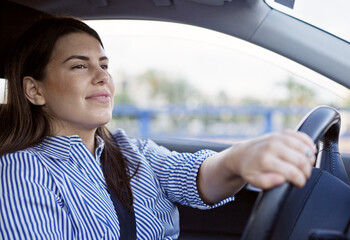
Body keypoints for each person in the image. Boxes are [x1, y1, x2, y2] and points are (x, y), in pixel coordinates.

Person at [0, 17, 316, 239]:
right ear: (35, 91)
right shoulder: (21, 172)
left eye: (105, 65)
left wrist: (239, 158)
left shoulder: (132, 151)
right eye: (80, 65)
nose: (102, 77)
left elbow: (197, 176)